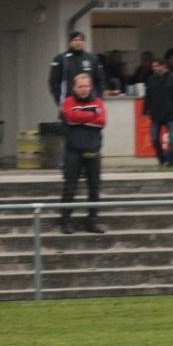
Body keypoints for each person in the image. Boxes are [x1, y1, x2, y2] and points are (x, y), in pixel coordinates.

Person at [59, 73, 106, 235]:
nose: (84, 89)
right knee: (70, 186)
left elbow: (102, 121)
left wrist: (80, 117)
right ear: (74, 87)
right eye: (80, 86)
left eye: (86, 86)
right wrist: (91, 115)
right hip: (73, 150)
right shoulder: (68, 102)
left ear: (91, 87)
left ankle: (92, 221)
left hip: (92, 149)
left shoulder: (98, 101)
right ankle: (66, 221)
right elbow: (70, 117)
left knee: (94, 186)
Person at [143, 58, 173, 167]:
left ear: (163, 66)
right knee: (154, 139)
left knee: (172, 141)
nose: (154, 69)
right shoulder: (151, 80)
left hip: (171, 114)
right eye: (153, 67)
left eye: (156, 66)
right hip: (156, 114)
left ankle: (172, 162)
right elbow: (148, 97)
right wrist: (146, 110)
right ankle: (162, 159)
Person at [49, 31, 105, 105]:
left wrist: (98, 98)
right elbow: (54, 82)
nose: (78, 42)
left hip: (90, 102)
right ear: (70, 42)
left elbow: (100, 80)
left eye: (81, 40)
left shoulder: (92, 59)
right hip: (69, 102)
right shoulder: (61, 59)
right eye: (75, 40)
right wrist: (60, 100)